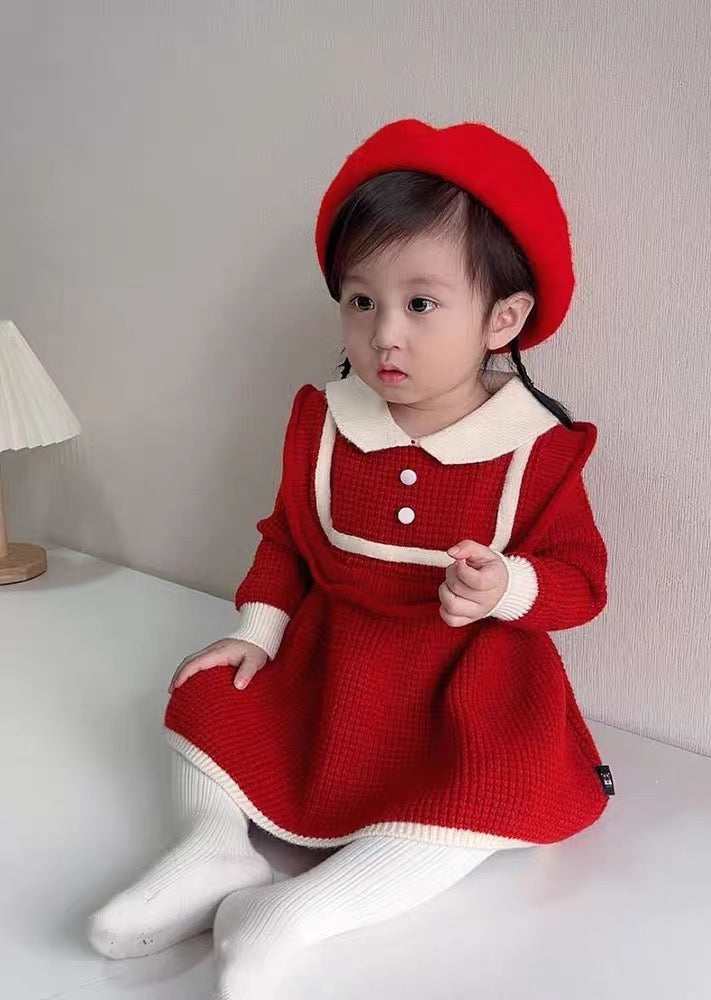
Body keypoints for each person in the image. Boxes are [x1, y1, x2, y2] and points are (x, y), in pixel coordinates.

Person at [88, 118, 612, 998]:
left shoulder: (537, 449)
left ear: (504, 318)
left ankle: (298, 912)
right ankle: (212, 848)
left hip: (465, 689)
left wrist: (507, 586)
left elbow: (582, 581)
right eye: (361, 301)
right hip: (333, 668)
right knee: (204, 694)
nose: (384, 335)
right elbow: (288, 540)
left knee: (484, 793)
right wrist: (257, 633)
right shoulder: (326, 419)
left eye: (421, 304)